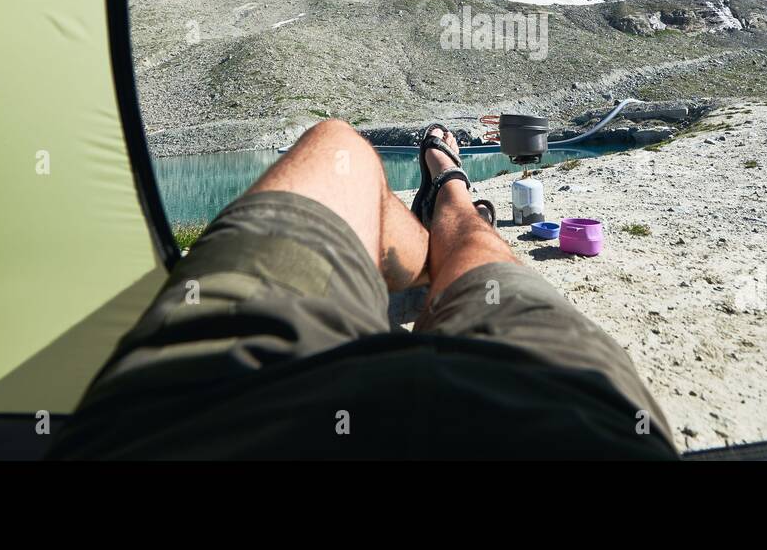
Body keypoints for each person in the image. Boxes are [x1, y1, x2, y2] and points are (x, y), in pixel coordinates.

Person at [51, 119, 677, 459]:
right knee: (482, 258)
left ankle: (433, 228)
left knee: (339, 145)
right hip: (562, 426)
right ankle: (450, 190)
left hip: (210, 407)